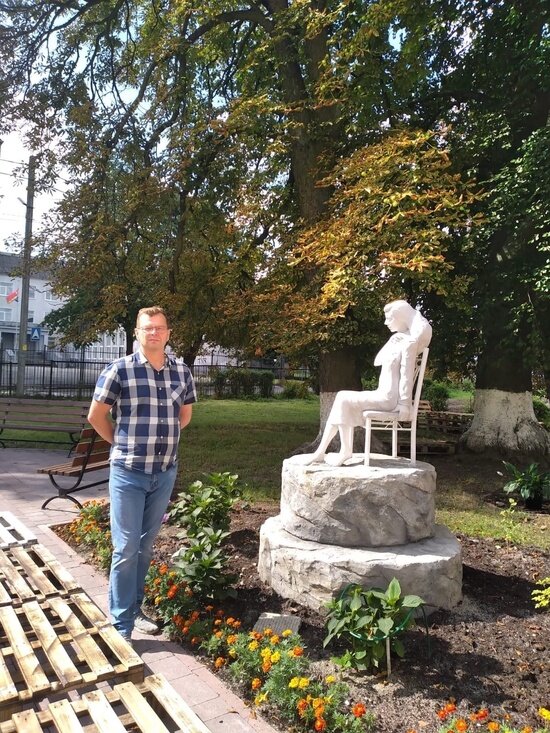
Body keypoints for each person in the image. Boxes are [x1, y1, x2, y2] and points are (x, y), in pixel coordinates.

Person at [88, 306, 197, 641]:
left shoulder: (182, 372)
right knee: (125, 549)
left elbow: (185, 416)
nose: (154, 333)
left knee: (145, 546)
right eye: (148, 328)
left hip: (163, 473)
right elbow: (96, 416)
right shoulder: (119, 370)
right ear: (137, 333)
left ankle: (135, 610)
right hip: (128, 473)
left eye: (159, 328)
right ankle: (121, 626)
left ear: (168, 333)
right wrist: (122, 443)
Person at [304, 300, 432, 467]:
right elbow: (378, 360)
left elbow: (406, 375)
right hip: (384, 394)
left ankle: (336, 451)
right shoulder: (401, 340)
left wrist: (405, 405)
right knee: (342, 399)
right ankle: (326, 451)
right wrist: (394, 340)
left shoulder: (409, 344)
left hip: (388, 398)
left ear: (401, 317)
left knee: (343, 398)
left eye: (389, 318)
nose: (386, 323)